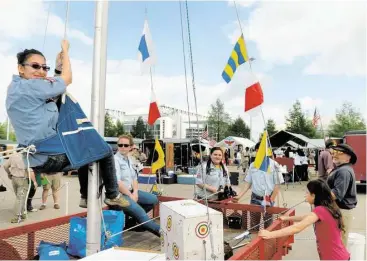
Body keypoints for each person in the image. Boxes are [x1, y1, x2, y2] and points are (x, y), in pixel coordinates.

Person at [6, 40, 128, 209]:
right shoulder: (31, 86)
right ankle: (113, 194)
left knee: (87, 154)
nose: (41, 71)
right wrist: (66, 52)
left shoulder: (16, 88)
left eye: (44, 67)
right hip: (50, 155)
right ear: (20, 68)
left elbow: (54, 91)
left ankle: (85, 196)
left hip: (34, 158)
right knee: (105, 150)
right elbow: (67, 79)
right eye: (35, 66)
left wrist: (57, 67)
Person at [259, 179, 350, 260]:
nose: (305, 195)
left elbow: (297, 228)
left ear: (313, 195)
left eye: (307, 192)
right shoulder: (328, 207)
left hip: (334, 257)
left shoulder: (320, 210)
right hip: (339, 255)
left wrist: (270, 234)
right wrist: (288, 218)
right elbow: (307, 217)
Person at [114, 135, 160, 237]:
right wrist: (131, 195)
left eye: (125, 145)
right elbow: (117, 182)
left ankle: (133, 221)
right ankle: (162, 232)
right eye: (120, 145)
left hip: (130, 191)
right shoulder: (115, 160)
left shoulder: (130, 159)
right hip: (119, 195)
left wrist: (135, 192)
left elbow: (134, 178)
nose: (122, 147)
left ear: (130, 147)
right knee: (141, 212)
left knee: (153, 199)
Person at [232, 143, 284, 228]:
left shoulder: (275, 165)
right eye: (261, 150)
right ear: (257, 151)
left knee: (268, 226)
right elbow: (248, 182)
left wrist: (271, 200)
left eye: (266, 150)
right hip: (255, 198)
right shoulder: (253, 165)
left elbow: (277, 185)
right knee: (254, 225)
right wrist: (239, 196)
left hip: (269, 198)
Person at [327, 143, 358, 247]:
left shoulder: (343, 171)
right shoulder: (341, 169)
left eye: (339, 153)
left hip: (340, 212)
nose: (334, 155)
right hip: (337, 211)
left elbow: (336, 194)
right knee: (335, 242)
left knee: (338, 245)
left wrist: (316, 196)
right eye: (333, 152)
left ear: (348, 158)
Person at [3, 153, 38, 223]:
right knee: (21, 199)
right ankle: (18, 217)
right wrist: (34, 181)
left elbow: (5, 166)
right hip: (22, 180)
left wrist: (9, 173)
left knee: (19, 198)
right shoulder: (27, 157)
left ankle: (21, 214)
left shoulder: (13, 156)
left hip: (14, 179)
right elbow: (30, 171)